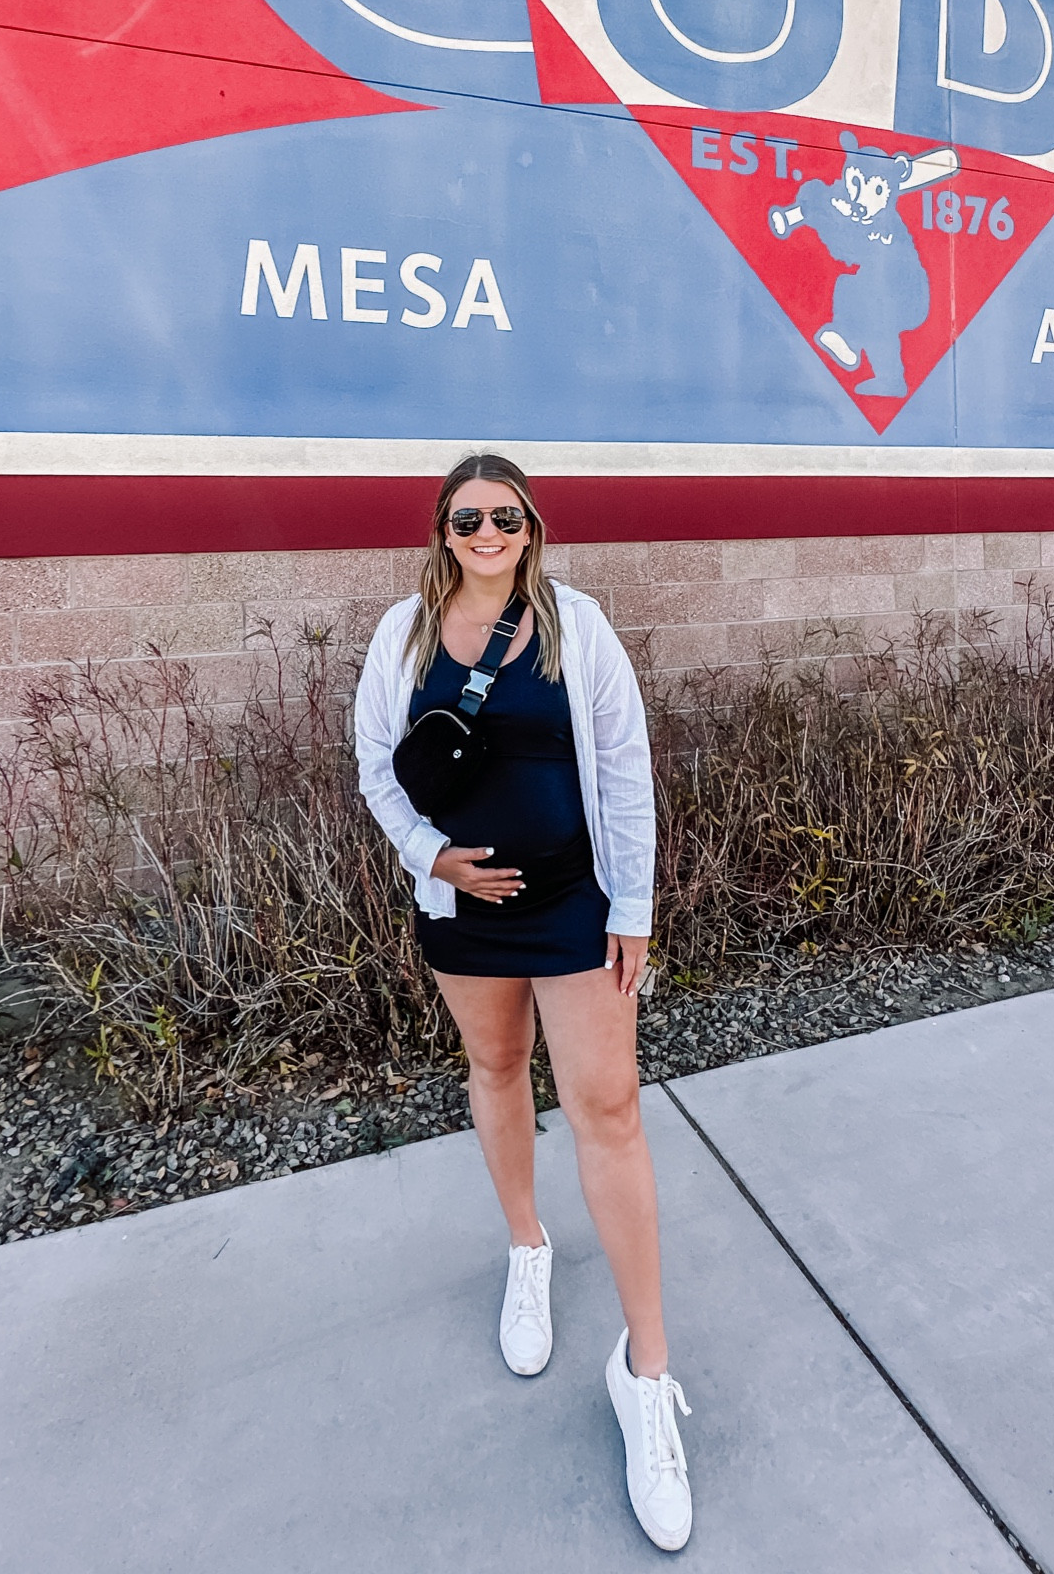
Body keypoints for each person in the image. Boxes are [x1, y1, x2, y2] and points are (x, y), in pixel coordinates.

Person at [354, 452, 693, 1552]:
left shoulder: (575, 625)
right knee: (496, 1069)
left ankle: (645, 1371)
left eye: (506, 515)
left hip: (572, 908)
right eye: (468, 516)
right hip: (465, 915)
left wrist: (633, 902)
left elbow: (624, 762)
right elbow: (374, 764)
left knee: (612, 1109)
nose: (487, 530)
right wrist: (430, 856)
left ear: (531, 524)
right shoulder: (402, 633)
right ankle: (529, 1250)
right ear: (442, 528)